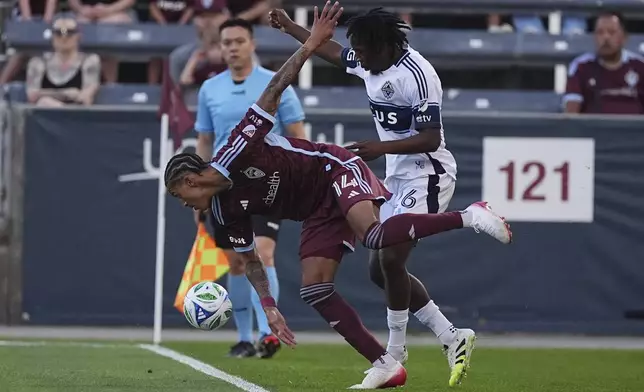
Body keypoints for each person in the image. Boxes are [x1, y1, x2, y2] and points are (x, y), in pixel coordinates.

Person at [165, 2, 511, 388]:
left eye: (179, 194)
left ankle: (471, 216)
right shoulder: (222, 213)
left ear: (192, 180)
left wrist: (308, 45)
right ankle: (399, 358)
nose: (182, 203)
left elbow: (276, 87)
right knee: (332, 282)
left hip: (343, 170)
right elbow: (249, 261)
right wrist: (270, 308)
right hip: (325, 205)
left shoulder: (235, 147)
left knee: (380, 242)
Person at [269, 5, 481, 386]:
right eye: (358, 51)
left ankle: (395, 353)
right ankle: (452, 336)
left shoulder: (418, 74)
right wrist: (290, 29)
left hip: (428, 174)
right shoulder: (372, 61)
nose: (359, 57)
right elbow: (333, 53)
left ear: (383, 45)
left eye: (364, 50)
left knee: (391, 255)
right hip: (396, 178)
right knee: (378, 269)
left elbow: (431, 138)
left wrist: (379, 149)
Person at [194, 17, 306, 359]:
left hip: (266, 184)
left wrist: (295, 177)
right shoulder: (209, 89)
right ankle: (244, 337)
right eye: (226, 42)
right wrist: (201, 188)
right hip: (223, 190)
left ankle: (267, 334)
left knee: (264, 252)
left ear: (252, 44)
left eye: (238, 41)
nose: (232, 48)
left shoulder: (274, 83)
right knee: (238, 263)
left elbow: (297, 134)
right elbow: (204, 140)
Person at [563, 11, 644, 114]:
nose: (606, 37)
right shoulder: (581, 66)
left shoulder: (640, 66)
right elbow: (571, 116)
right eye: (600, 32)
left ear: (624, 38)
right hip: (593, 129)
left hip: (634, 130)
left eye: (611, 32)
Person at [26, 17, 101, 107]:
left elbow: (85, 98)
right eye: (59, 33)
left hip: (77, 116)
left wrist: (45, 94)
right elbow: (32, 95)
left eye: (69, 33)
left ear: (78, 36)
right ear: (52, 36)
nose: (64, 37)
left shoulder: (90, 61)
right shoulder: (37, 63)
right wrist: (66, 94)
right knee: (44, 102)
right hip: (44, 117)